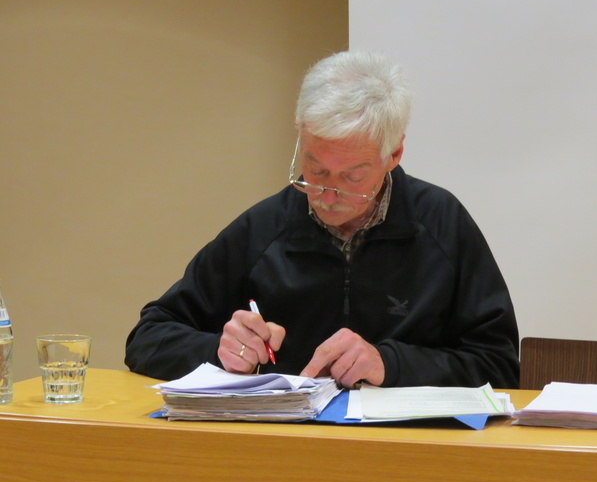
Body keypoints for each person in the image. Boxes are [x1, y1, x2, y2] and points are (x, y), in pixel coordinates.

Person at [125, 50, 519, 389]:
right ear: (300, 136)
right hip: (287, 439)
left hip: (405, 445)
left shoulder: (441, 223)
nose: (328, 197)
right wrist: (219, 350)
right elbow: (148, 338)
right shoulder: (264, 228)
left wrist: (390, 364)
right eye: (315, 170)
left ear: (394, 155)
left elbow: (499, 366)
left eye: (352, 177)